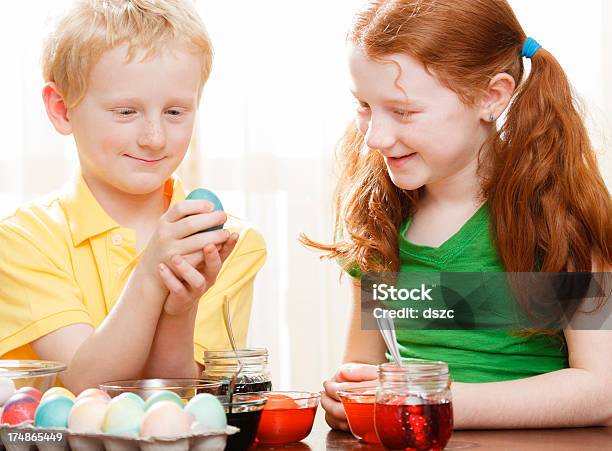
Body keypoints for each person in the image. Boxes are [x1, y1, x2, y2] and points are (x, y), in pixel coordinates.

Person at [303, 0, 612, 429]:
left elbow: (601, 388)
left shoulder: (559, 217)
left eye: (404, 111)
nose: (375, 136)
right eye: (364, 106)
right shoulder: (380, 216)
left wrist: (438, 402)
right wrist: (349, 396)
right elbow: (362, 362)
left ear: (491, 96)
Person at [0, 0, 266, 393]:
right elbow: (86, 385)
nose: (154, 138)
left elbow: (175, 401)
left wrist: (180, 309)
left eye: (175, 112)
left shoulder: (229, 244)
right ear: (62, 110)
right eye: (126, 112)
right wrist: (151, 275)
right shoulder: (22, 239)